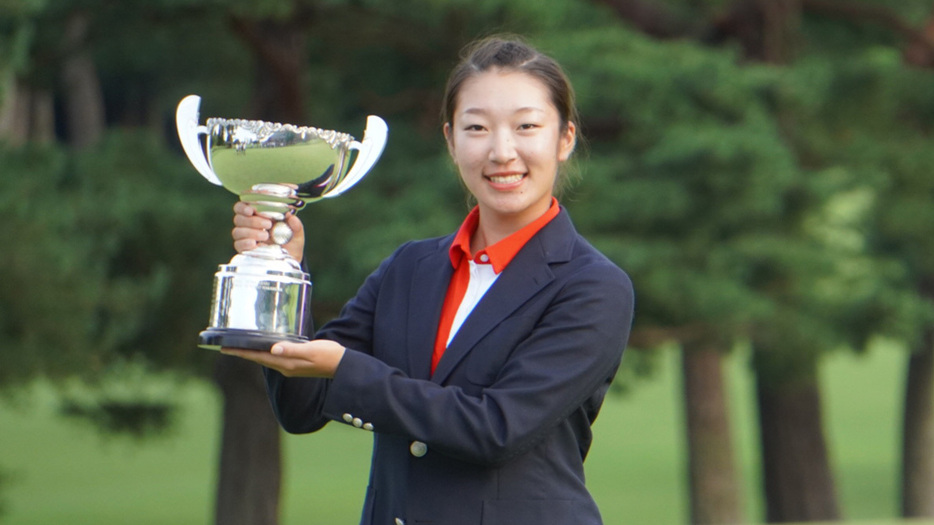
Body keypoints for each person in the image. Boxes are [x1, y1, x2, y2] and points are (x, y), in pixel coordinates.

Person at [221, 35, 635, 525]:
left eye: (526, 126)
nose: (502, 151)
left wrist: (347, 369)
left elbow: (496, 429)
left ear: (564, 139)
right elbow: (301, 407)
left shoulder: (593, 286)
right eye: (476, 127)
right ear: (450, 139)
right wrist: (281, 275)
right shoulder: (410, 268)